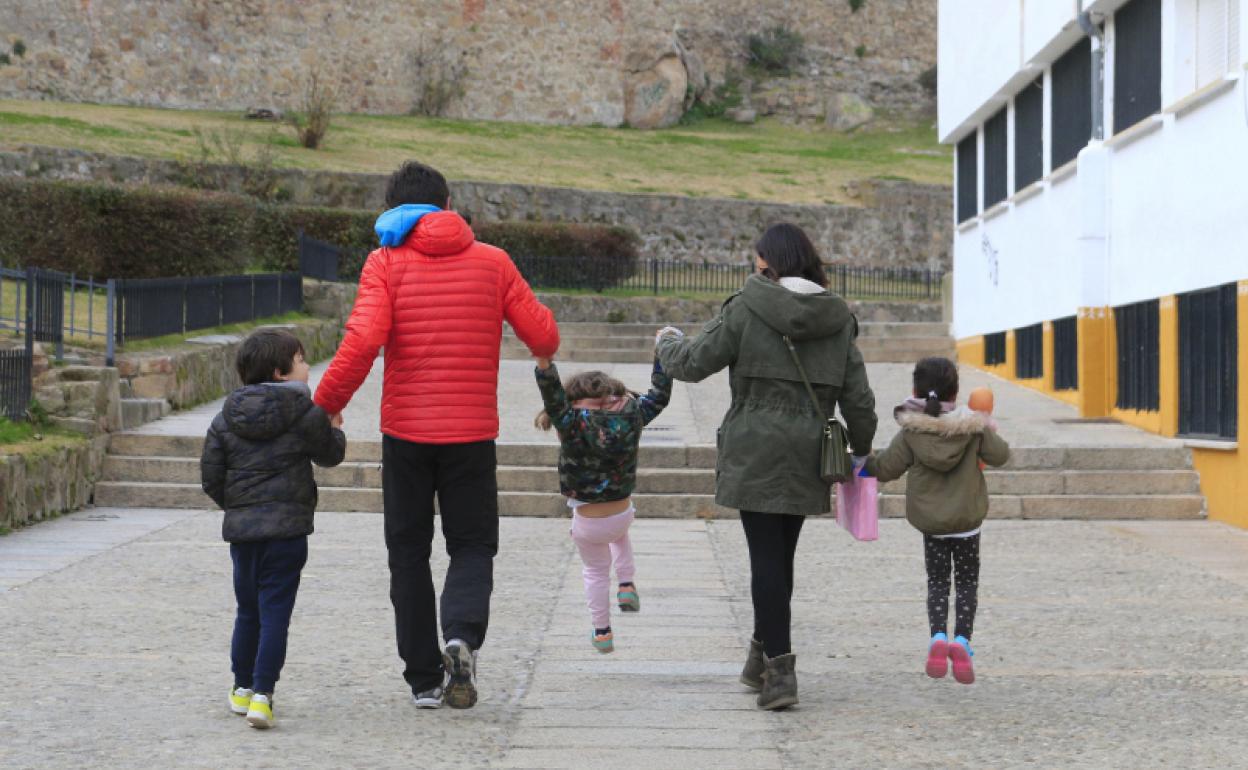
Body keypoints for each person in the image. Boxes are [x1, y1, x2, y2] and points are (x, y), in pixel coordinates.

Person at [313, 160, 560, 710]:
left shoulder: (385, 261)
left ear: (393, 207)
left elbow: (363, 340)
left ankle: (425, 679)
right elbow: (544, 334)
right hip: (472, 434)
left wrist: (324, 406)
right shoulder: (494, 262)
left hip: (406, 434)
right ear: (447, 205)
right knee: (472, 545)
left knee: (408, 552)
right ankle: (461, 637)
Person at [655, 222, 877, 710]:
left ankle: (780, 671)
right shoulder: (837, 319)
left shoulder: (746, 307)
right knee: (781, 555)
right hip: (808, 450)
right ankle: (761, 658)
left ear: (765, 262)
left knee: (765, 559)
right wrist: (861, 450)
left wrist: (665, 341)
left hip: (754, 445)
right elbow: (858, 398)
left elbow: (692, 362)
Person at [201, 329, 347, 729]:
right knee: (275, 613)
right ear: (282, 372)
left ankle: (241, 687)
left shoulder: (224, 417)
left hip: (244, 534)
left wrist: (238, 508)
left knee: (247, 610)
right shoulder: (305, 414)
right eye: (302, 361)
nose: (307, 368)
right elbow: (330, 456)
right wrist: (335, 427)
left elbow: (211, 477)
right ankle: (264, 696)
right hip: (287, 533)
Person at [865, 357, 1010, 685]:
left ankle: (936, 638)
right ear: (955, 393)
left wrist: (858, 464)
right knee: (968, 583)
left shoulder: (911, 431)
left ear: (915, 390)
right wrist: (985, 422)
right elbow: (1001, 456)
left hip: (931, 524)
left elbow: (886, 468)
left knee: (938, 582)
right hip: (967, 522)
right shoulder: (972, 428)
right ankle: (962, 641)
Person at [533, 356, 672, 653]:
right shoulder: (633, 412)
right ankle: (626, 585)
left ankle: (602, 631)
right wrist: (663, 353)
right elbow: (659, 397)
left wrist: (544, 364)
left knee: (595, 571)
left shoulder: (570, 420)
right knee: (619, 535)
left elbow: (553, 395)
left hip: (588, 521)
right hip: (623, 512)